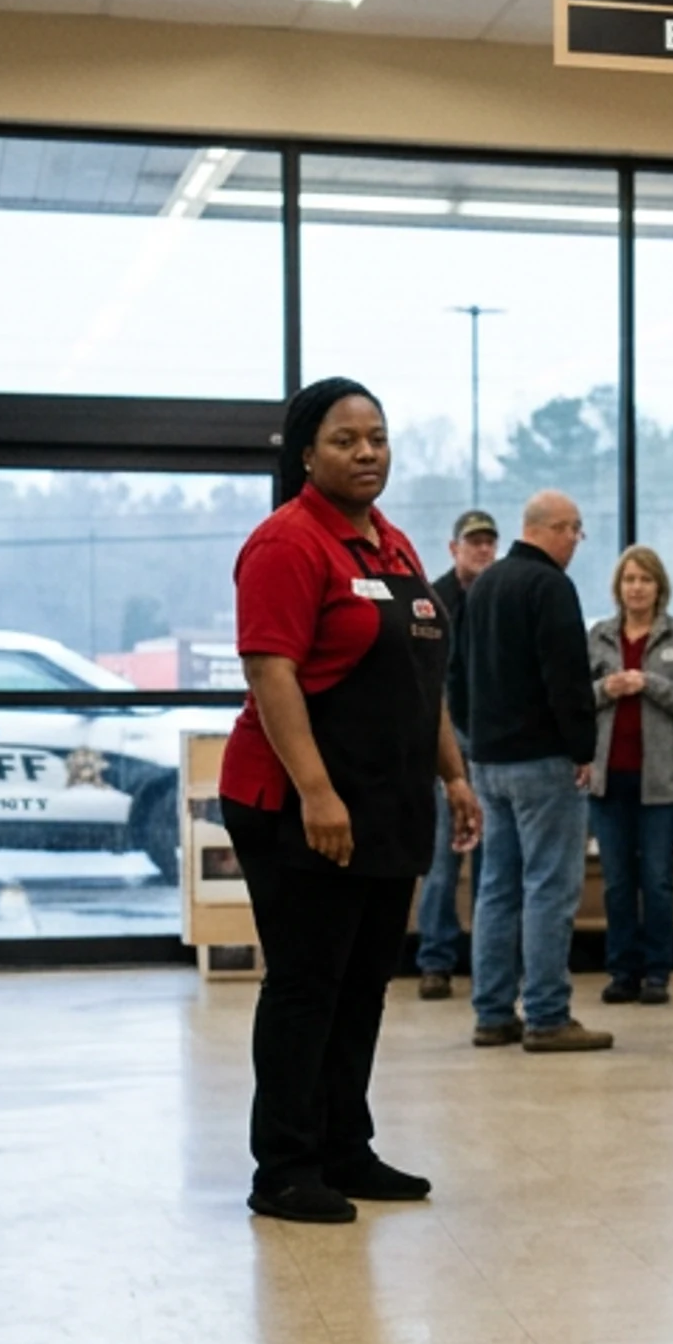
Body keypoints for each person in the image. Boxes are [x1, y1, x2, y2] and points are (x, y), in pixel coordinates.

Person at [219, 378, 482, 1226]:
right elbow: (271, 673)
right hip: (296, 802)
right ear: (306, 453)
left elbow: (419, 679)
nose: (367, 452)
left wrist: (452, 773)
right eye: (345, 440)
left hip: (387, 800)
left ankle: (344, 1147)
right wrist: (318, 793)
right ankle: (285, 1167)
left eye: (377, 437)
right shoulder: (287, 544)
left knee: (365, 982)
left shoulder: (394, 546)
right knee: (307, 983)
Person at [459, 490, 613, 1053]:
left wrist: (473, 740)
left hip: (488, 761)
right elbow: (566, 678)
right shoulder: (551, 587)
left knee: (496, 889)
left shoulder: (484, 586)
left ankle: (493, 1013)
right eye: (574, 530)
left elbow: (457, 673)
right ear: (555, 528)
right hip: (544, 761)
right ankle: (547, 1014)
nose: (576, 541)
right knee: (549, 888)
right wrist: (581, 748)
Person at [586, 545, 673, 1005]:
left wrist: (649, 683)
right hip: (608, 781)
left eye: (644, 579)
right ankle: (622, 971)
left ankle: (658, 972)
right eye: (629, 579)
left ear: (659, 586)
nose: (636, 587)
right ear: (617, 587)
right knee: (618, 882)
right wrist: (607, 687)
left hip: (663, 784)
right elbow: (575, 699)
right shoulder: (598, 637)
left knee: (657, 880)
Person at [414, 507, 502, 1000]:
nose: (483, 550)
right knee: (446, 860)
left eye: (490, 542)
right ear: (454, 549)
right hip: (447, 744)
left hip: (493, 743)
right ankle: (435, 959)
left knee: (493, 862)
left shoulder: (500, 596)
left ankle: (487, 962)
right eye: (474, 543)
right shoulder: (433, 601)